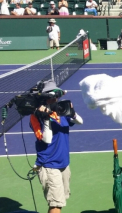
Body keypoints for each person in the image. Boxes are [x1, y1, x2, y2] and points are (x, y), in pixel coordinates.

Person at [30, 79, 83, 213]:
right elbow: (47, 139)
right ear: (44, 98)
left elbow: (80, 121)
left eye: (56, 96)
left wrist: (73, 112)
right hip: (49, 164)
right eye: (51, 97)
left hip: (63, 163)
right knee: (56, 205)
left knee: (58, 203)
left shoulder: (61, 111)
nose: (55, 99)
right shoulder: (36, 116)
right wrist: (46, 118)